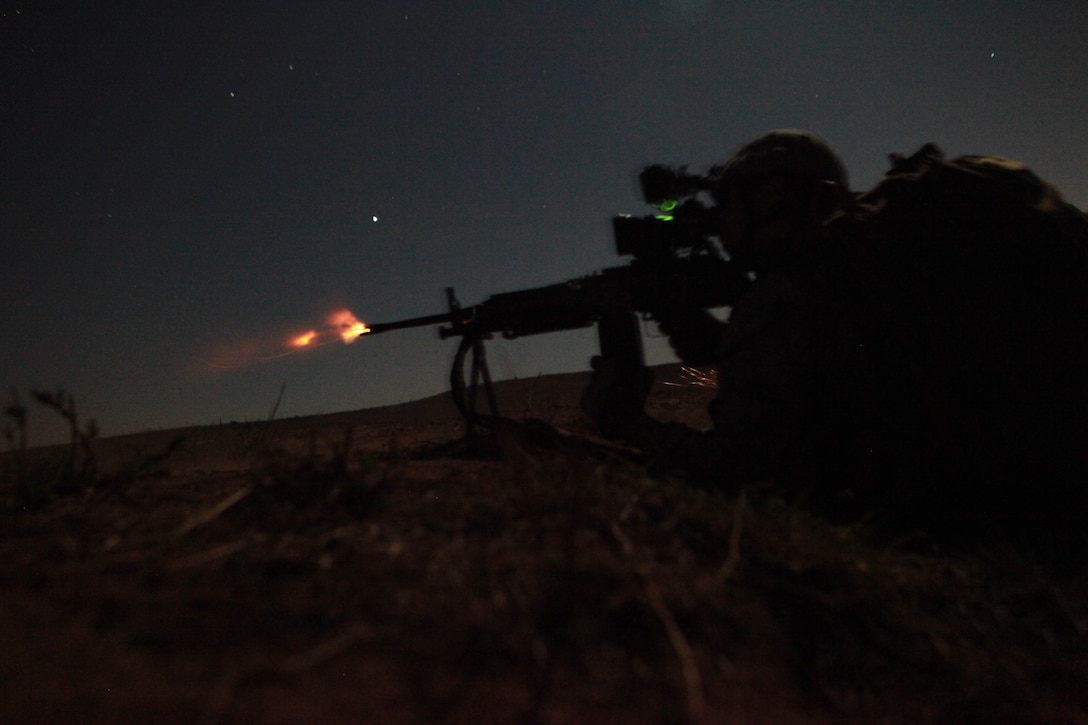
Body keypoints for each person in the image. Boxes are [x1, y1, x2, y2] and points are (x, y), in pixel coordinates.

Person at [582, 129, 1088, 527]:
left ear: (773, 195)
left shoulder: (788, 293)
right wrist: (681, 314)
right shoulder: (869, 262)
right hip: (1043, 475)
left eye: (730, 202)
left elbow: (739, 471)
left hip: (957, 513)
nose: (721, 222)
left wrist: (627, 422)